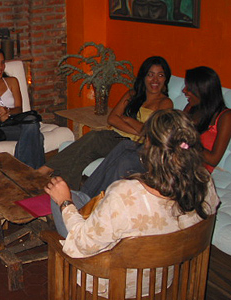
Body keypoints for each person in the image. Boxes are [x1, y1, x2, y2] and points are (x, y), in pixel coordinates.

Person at [45, 109, 220, 298]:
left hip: (115, 281)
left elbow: (82, 243)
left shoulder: (126, 194)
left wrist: (64, 202)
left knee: (62, 197)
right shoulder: (205, 183)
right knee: (80, 197)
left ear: (150, 148)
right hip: (165, 276)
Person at [80, 66, 231, 198]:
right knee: (124, 146)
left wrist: (184, 142)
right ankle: (85, 197)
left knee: (126, 161)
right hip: (172, 157)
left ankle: (100, 203)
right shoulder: (191, 108)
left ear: (203, 90)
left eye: (189, 88)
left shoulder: (225, 117)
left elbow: (213, 159)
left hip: (189, 169)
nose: (184, 91)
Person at [38, 56, 174, 190]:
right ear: (143, 77)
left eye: (160, 75)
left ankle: (46, 170)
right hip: (114, 137)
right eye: (150, 75)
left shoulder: (165, 103)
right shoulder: (132, 94)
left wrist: (128, 119)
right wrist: (138, 129)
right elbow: (112, 119)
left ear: (166, 78)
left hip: (133, 145)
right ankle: (68, 191)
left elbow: (152, 131)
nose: (155, 80)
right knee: (84, 155)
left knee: (94, 137)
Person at [0, 46, 45, 169]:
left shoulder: (12, 82)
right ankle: (32, 172)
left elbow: (19, 109)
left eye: (2, 63)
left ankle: (23, 172)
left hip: (16, 123)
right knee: (37, 134)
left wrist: (8, 110)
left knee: (32, 124)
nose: (0, 67)